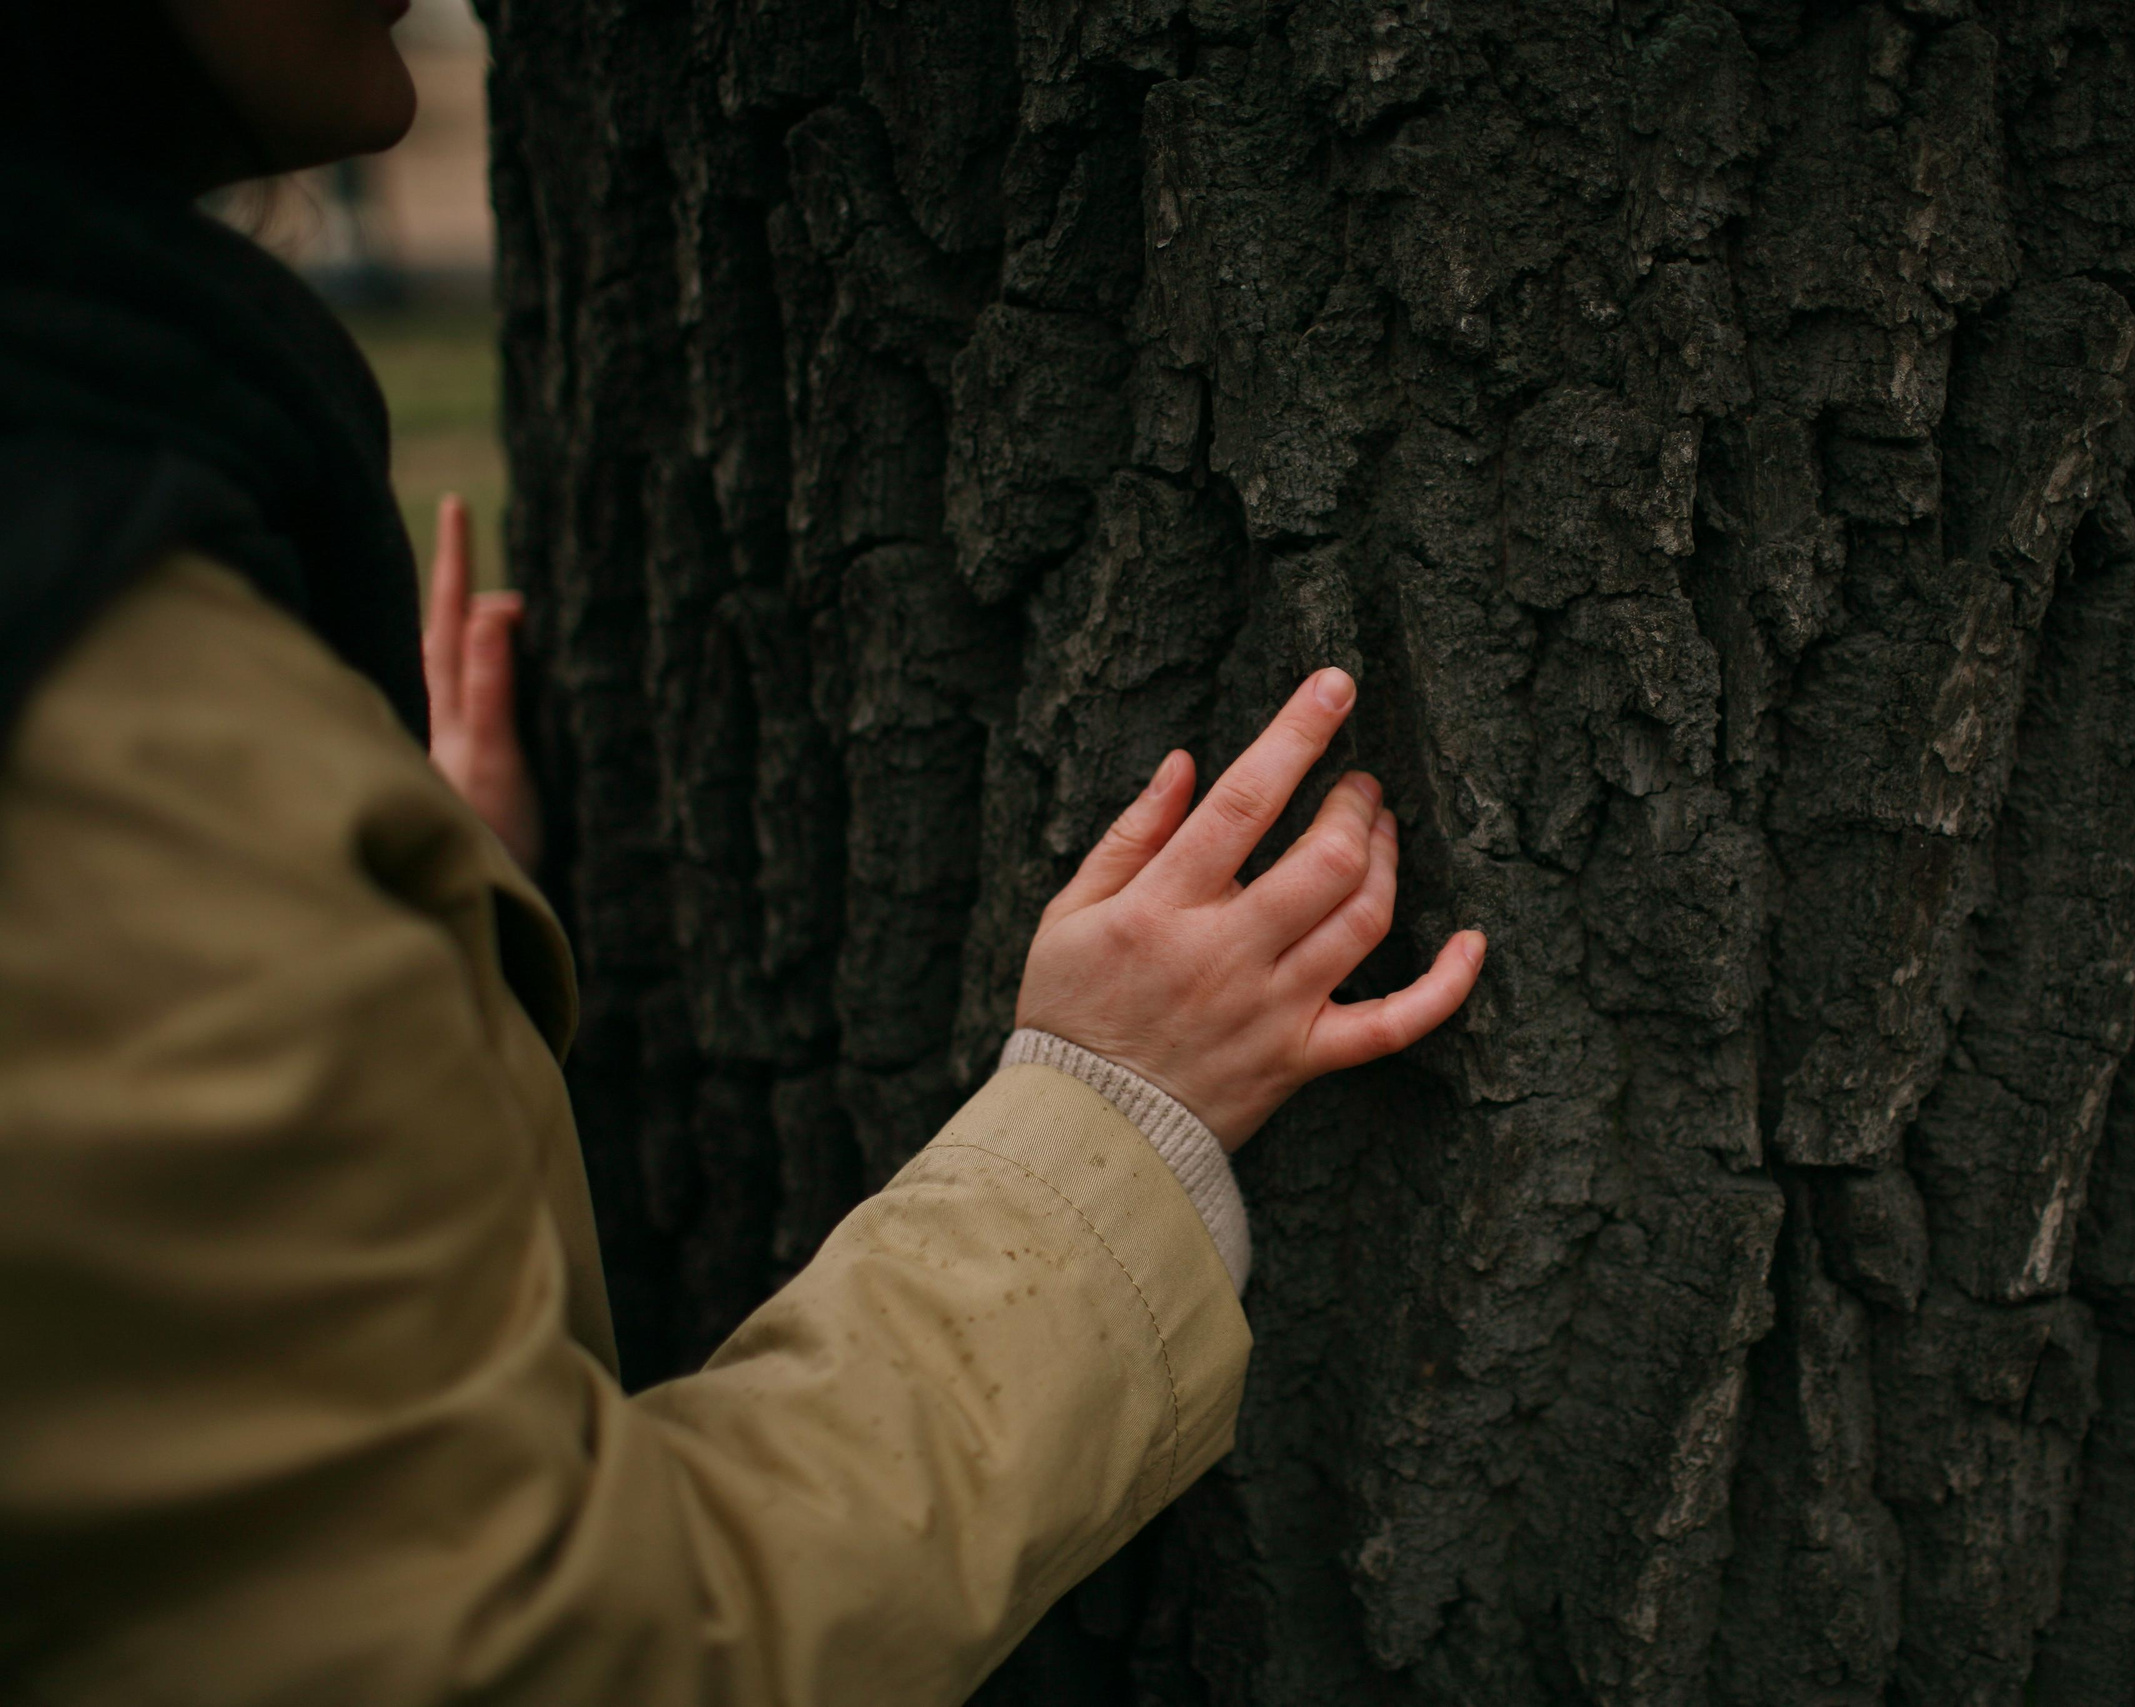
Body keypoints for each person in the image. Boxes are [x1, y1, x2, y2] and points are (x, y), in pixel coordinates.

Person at [0, 3, 1487, 1702]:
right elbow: (544, 1665)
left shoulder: (100, 539)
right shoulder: (80, 719)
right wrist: (1110, 1124)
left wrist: (368, 917)